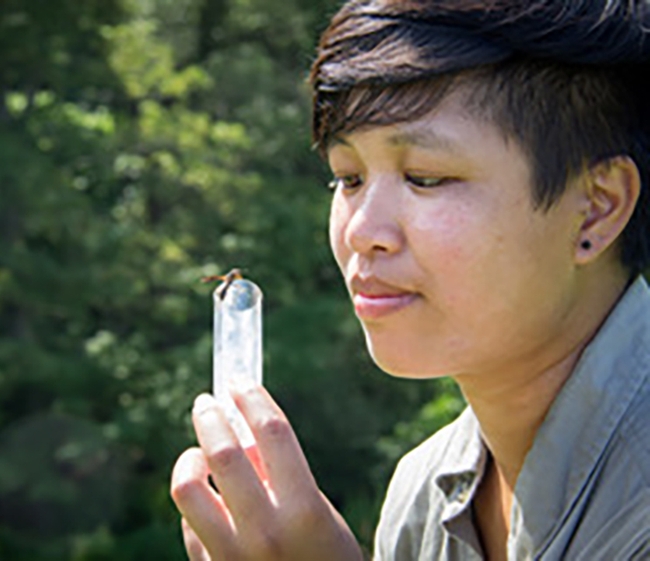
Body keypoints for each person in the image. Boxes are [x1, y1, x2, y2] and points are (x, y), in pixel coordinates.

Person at [170, 1, 650, 559]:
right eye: (347, 179)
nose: (363, 232)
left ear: (596, 208)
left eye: (424, 178)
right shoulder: (421, 493)